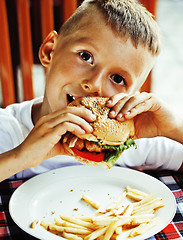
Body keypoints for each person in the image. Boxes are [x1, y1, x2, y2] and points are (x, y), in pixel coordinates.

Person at [0, 0, 182, 182]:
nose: (95, 84)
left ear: (131, 95)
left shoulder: (132, 142)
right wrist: (19, 157)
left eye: (118, 79)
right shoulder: (9, 131)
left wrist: (174, 128)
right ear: (50, 51)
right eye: (85, 56)